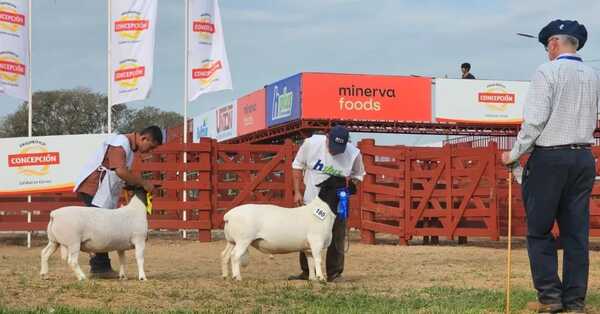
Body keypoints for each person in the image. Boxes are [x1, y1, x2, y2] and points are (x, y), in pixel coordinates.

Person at [501, 20, 598, 313]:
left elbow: (535, 122)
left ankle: (550, 297)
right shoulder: (593, 75)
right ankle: (575, 301)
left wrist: (514, 154)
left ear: (554, 44)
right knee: (576, 232)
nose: (547, 51)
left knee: (540, 229)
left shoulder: (547, 71)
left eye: (547, 46)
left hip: (550, 158)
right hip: (583, 157)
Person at [73, 126, 163, 278]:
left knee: (102, 226)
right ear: (144, 138)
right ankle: (100, 268)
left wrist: (134, 184)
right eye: (151, 146)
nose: (149, 151)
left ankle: (100, 267)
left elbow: (120, 173)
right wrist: (143, 183)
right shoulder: (120, 143)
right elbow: (120, 171)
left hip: (100, 189)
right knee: (101, 227)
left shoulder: (126, 146)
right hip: (95, 188)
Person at [287, 125, 365, 282]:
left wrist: (347, 190)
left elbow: (359, 174)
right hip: (313, 202)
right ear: (327, 138)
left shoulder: (353, 153)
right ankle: (307, 271)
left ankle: (334, 273)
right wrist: (297, 191)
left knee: (337, 233)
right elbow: (297, 166)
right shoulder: (311, 144)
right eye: (332, 147)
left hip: (336, 204)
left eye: (339, 148)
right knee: (307, 233)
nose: (335, 151)